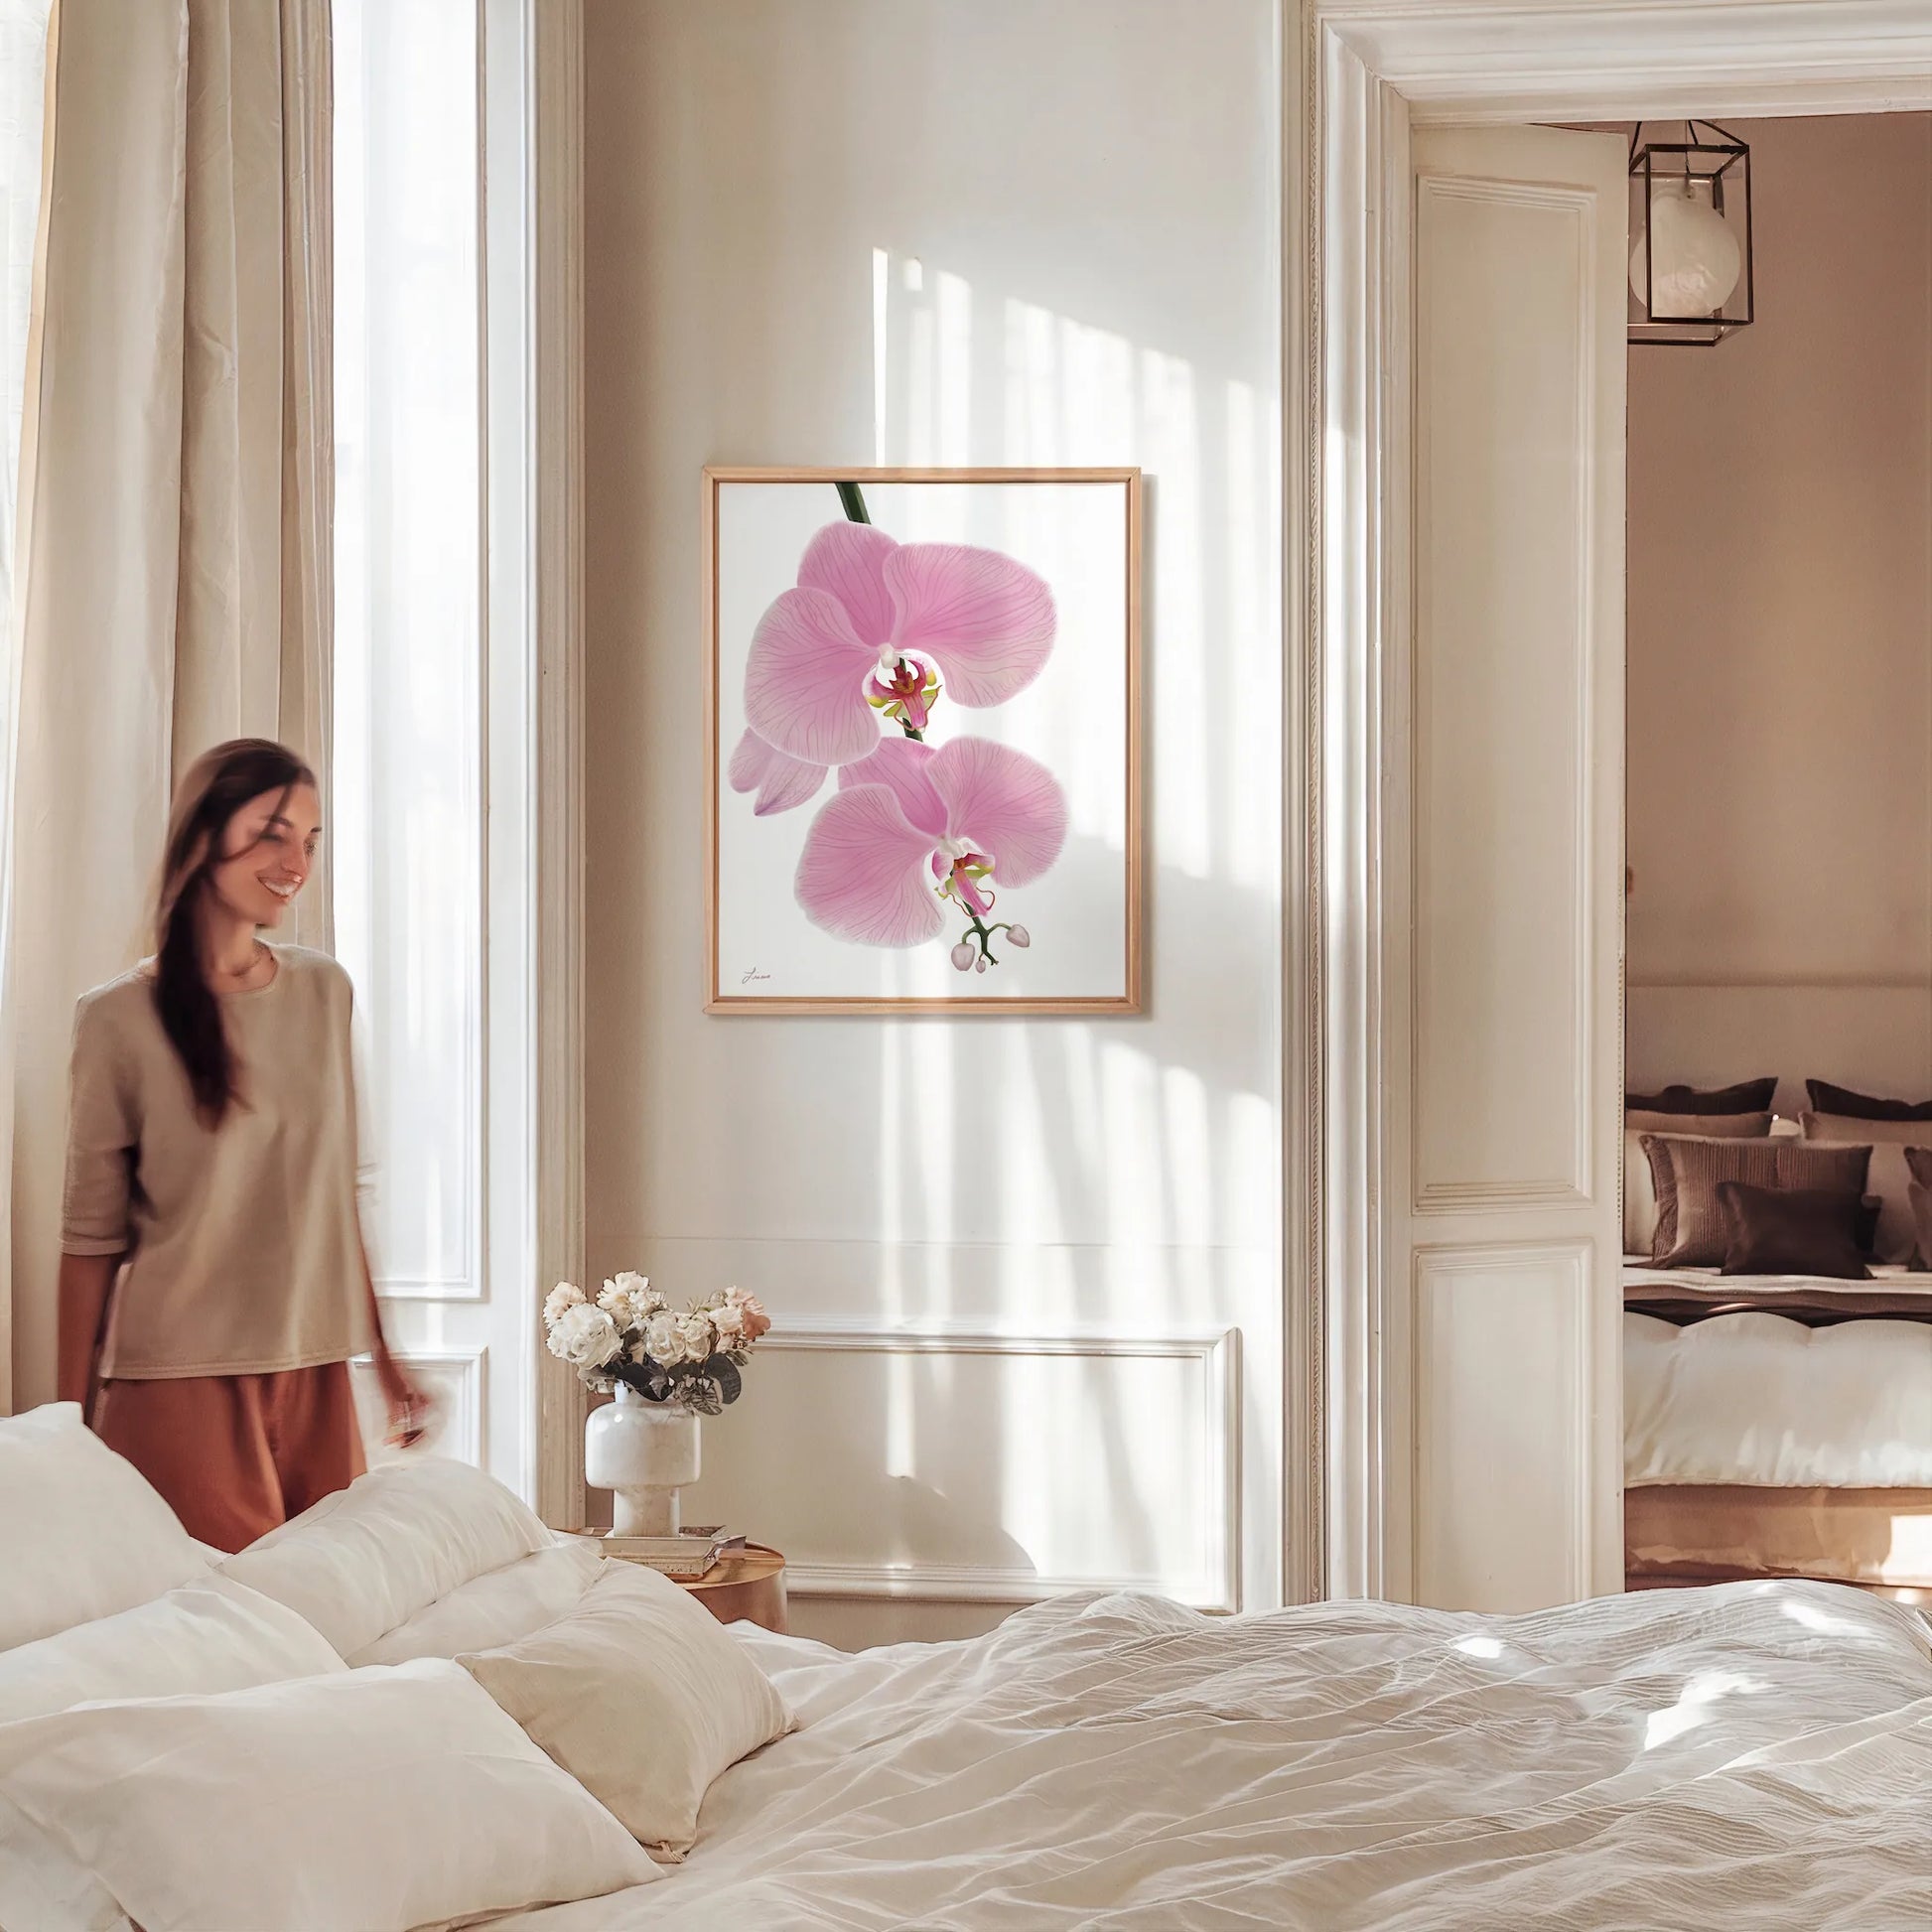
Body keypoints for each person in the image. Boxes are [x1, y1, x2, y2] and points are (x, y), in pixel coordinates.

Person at [55, 738, 430, 1551]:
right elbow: (89, 1241)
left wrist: (386, 1356)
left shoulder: (324, 990)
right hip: (176, 1381)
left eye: (311, 838)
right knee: (232, 1634)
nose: (297, 859)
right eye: (272, 832)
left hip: (316, 1370)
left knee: (327, 1631)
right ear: (203, 838)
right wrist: (65, 1429)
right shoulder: (116, 1017)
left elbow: (336, 1193)